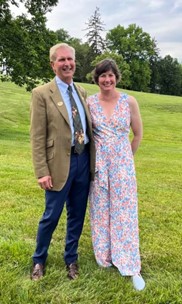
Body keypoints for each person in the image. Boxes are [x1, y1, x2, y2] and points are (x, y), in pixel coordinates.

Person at [30, 42, 95, 281]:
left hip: (83, 161)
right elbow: (37, 136)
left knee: (77, 215)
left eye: (70, 59)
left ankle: (71, 259)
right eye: (61, 60)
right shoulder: (41, 94)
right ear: (53, 65)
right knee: (51, 215)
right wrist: (41, 171)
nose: (67, 63)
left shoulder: (81, 91)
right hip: (57, 165)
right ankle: (39, 260)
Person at [86, 59, 145, 291]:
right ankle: (104, 256)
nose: (107, 80)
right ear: (97, 78)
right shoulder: (90, 102)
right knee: (101, 212)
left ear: (116, 77)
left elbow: (138, 134)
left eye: (110, 75)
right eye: (102, 76)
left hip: (122, 166)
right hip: (99, 166)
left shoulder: (129, 101)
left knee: (124, 214)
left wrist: (125, 159)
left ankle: (129, 264)